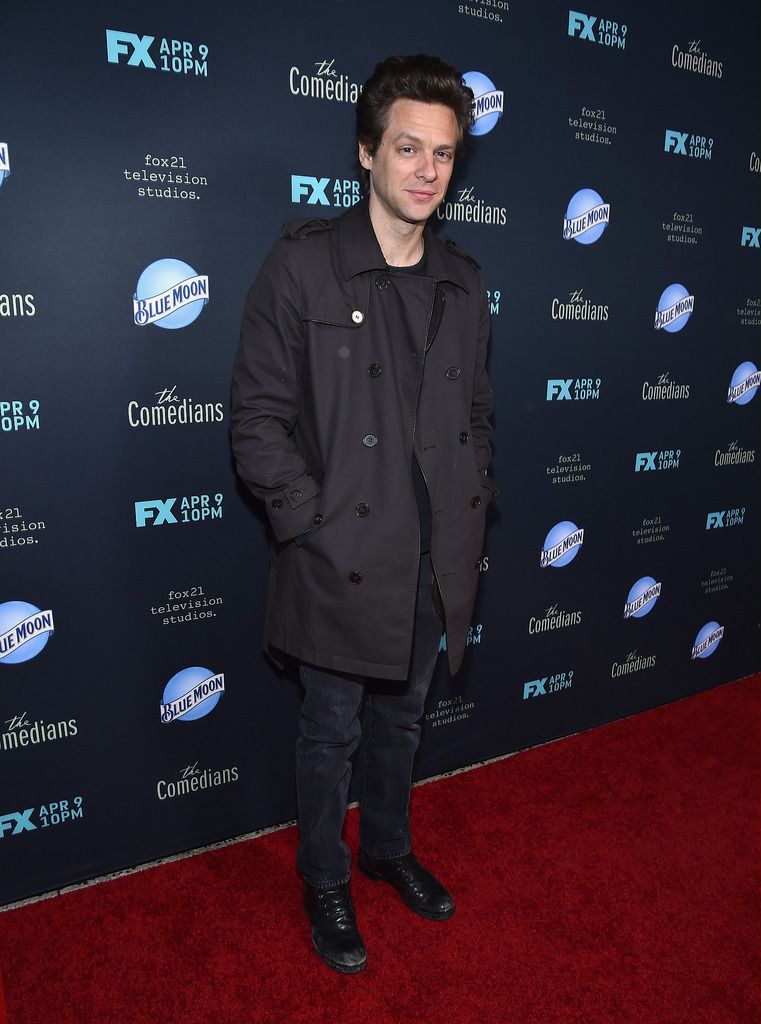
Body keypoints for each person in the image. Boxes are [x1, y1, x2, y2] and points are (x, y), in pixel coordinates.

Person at [231, 53, 496, 974]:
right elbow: (256, 420)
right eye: (408, 148)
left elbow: (473, 416)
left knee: (404, 722)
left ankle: (385, 851)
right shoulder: (302, 267)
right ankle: (324, 877)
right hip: (339, 558)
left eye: (445, 155)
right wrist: (309, 520)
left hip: (432, 559)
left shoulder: (463, 281)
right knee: (329, 732)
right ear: (365, 153)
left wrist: (470, 503)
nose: (427, 170)